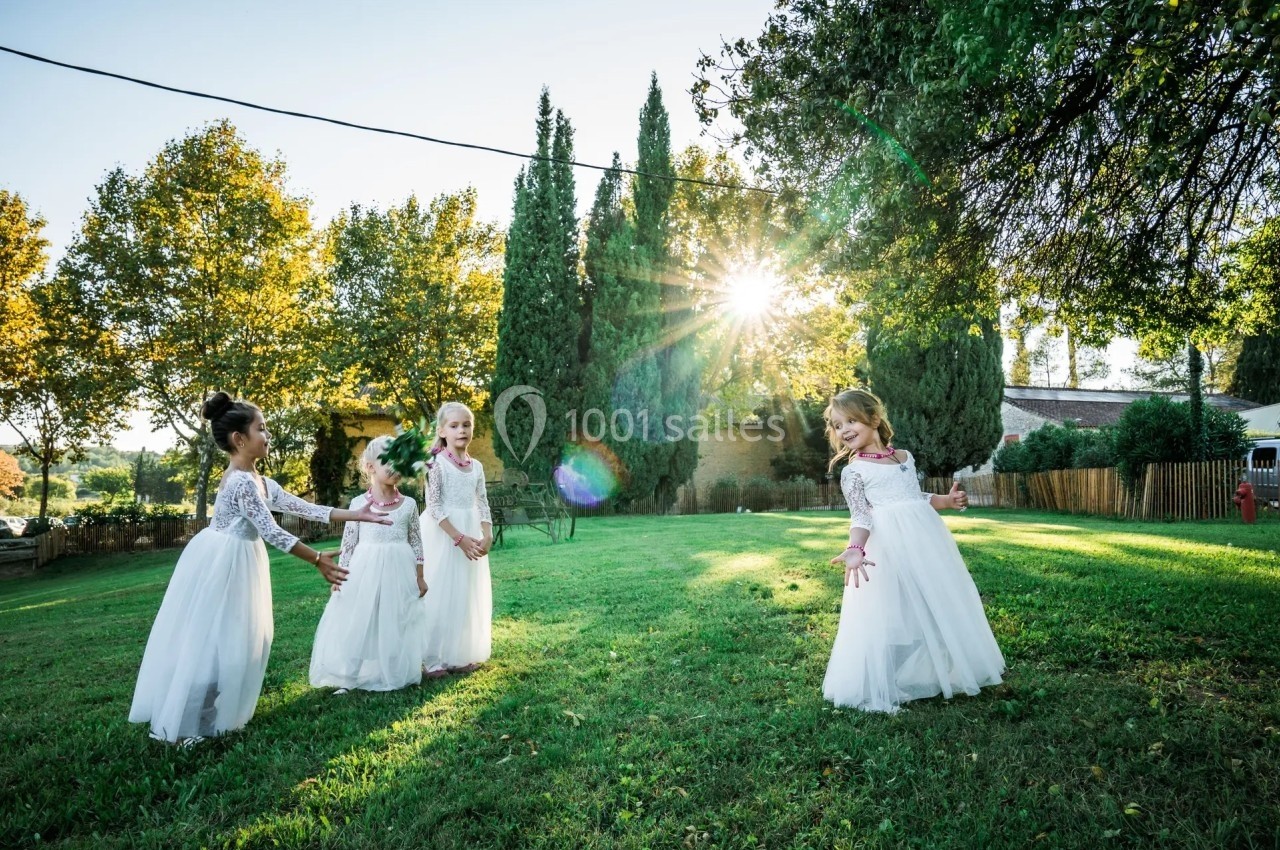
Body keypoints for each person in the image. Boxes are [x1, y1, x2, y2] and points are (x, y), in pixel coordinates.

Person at [129, 392, 390, 745]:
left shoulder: (261, 481)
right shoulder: (239, 482)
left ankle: (209, 717)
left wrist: (357, 514)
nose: (267, 435)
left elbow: (304, 508)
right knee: (213, 642)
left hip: (241, 562)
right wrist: (317, 559)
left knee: (237, 640)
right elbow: (272, 531)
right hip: (222, 563)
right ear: (240, 439)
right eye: (261, 429)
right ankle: (185, 726)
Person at [823, 388, 1004, 713]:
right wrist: (854, 549)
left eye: (851, 420)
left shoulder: (904, 457)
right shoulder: (853, 471)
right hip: (889, 544)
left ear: (874, 419)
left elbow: (913, 496)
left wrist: (945, 501)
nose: (844, 429)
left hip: (925, 541)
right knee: (893, 608)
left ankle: (938, 666)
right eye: (837, 425)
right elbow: (862, 515)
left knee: (934, 599)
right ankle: (886, 676)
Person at [310, 436, 427, 693]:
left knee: (396, 619)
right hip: (366, 570)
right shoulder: (357, 505)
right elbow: (349, 543)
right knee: (361, 619)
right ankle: (349, 677)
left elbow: (417, 543)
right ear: (371, 467)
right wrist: (341, 577)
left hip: (400, 570)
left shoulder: (408, 505)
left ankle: (395, 672)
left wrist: (419, 576)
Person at [419, 402, 493, 676]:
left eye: (466, 424)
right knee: (439, 592)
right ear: (442, 431)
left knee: (463, 592)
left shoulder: (477, 467)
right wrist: (458, 538)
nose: (461, 430)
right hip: (443, 534)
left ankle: (456, 654)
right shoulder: (436, 464)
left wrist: (487, 533)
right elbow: (435, 506)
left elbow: (482, 502)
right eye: (454, 426)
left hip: (470, 531)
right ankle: (431, 658)